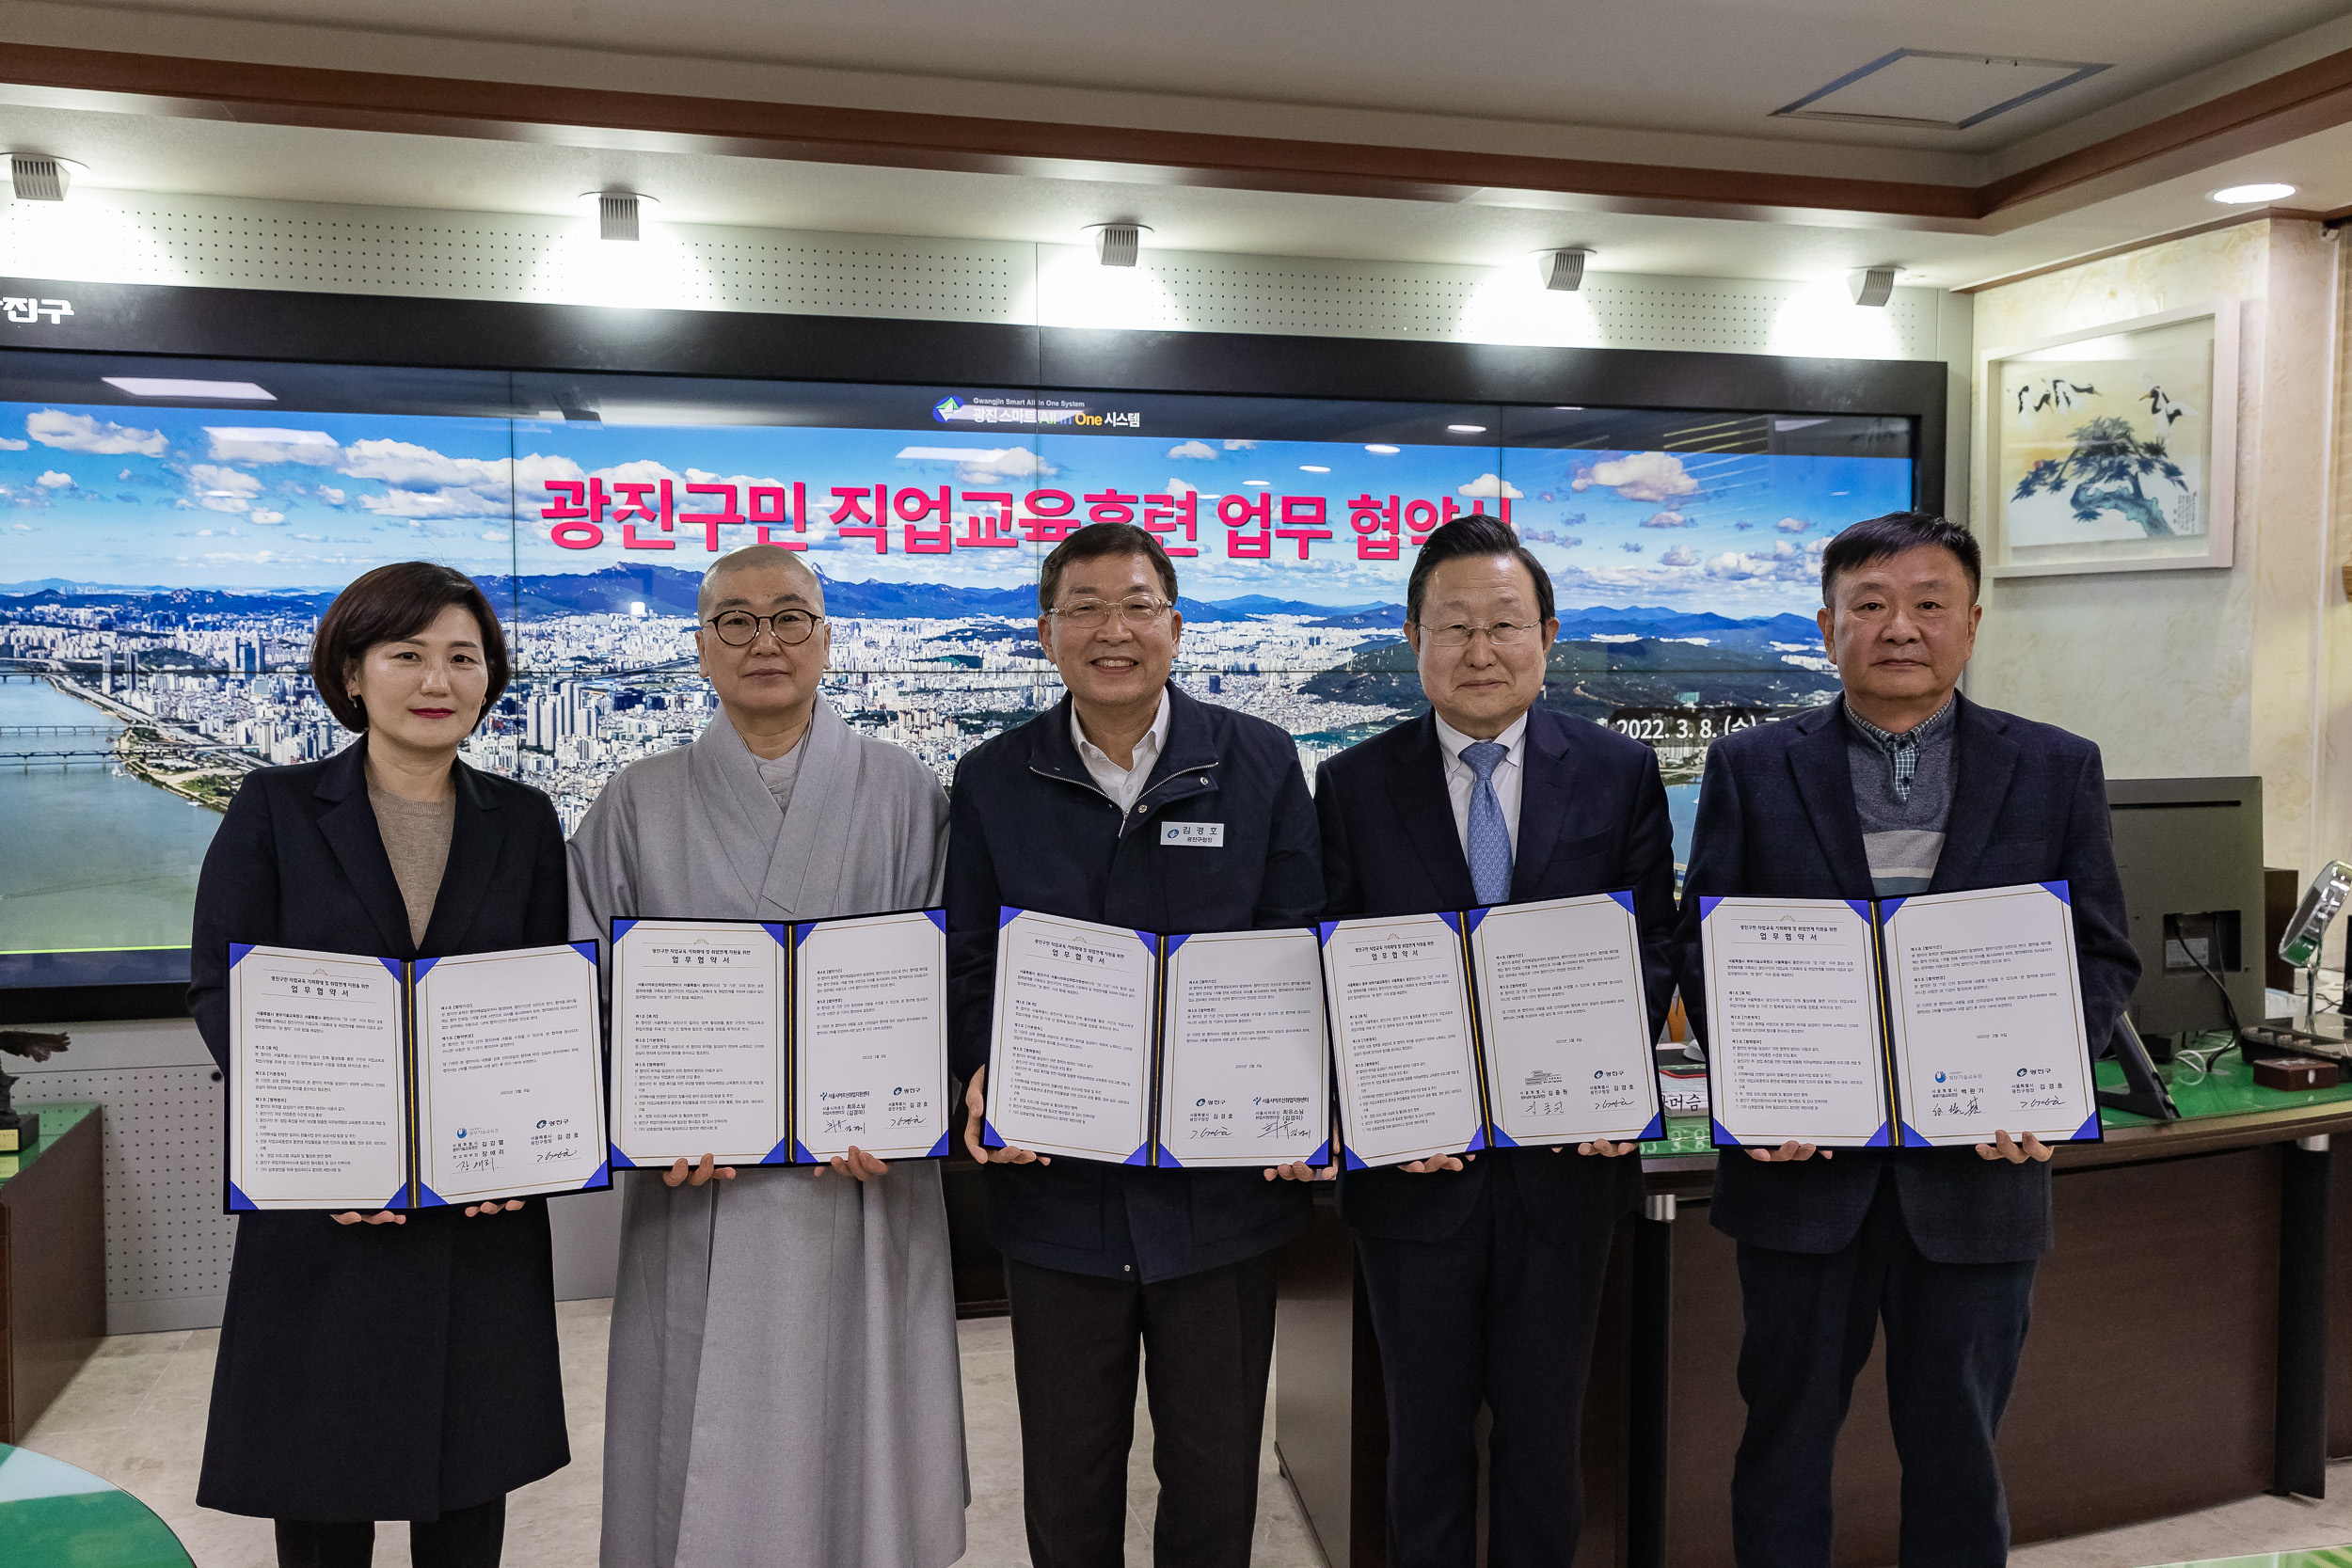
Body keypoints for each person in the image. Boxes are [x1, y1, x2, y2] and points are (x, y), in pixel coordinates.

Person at [1676, 511, 2140, 1568]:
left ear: (1971, 622)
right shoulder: (1751, 765)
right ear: (1827, 625)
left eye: (1928, 603)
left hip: (1978, 1179)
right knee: (1783, 1442)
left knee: (1959, 1452)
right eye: (1869, 605)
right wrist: (1759, 1084)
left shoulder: (2056, 766)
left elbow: (2100, 955)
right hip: (1801, 1179)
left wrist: (2043, 1078)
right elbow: (1708, 947)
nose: (1899, 627)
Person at [569, 543, 964, 1568]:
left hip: (864, 1177)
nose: (764, 640)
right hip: (700, 1179)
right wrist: (641, 1125)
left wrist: (909, 1106)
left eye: (790, 617)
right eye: (734, 620)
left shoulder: (907, 791)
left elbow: (947, 982)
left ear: (828, 641)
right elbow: (583, 998)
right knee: (699, 1427)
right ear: (699, 649)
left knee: (859, 1414)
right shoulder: (636, 799)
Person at [946, 521, 1325, 1568]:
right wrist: (985, 1070)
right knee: (1067, 1476)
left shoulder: (1256, 758)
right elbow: (968, 955)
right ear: (1045, 630)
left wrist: (1302, 1093)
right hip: (1057, 1188)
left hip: (1222, 1192)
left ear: (1175, 623)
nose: (1112, 630)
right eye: (1083, 607)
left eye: (1136, 605)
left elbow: (1297, 943)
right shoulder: (991, 777)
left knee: (1213, 1476)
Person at [188, 561, 570, 1568]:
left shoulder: (524, 819)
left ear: (490, 677)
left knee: (465, 1483)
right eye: (406, 654)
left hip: (475, 1202)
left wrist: (524, 1153)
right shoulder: (272, 805)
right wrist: (318, 1144)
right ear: (352, 674)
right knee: (321, 1476)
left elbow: (545, 1004)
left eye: (462, 655)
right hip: (322, 1198)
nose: (437, 677)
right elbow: (220, 987)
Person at [1313, 515, 1675, 1568]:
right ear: (1413, 638)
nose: (1480, 650)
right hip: (1411, 1173)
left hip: (1565, 1168)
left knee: (1544, 1435)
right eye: (1453, 625)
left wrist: (1610, 1072)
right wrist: (1373, 1101)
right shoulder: (1350, 783)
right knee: (1419, 1441)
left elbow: (1650, 941)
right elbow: (1327, 961)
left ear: (1547, 636)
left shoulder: (1616, 771)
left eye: (1504, 624)